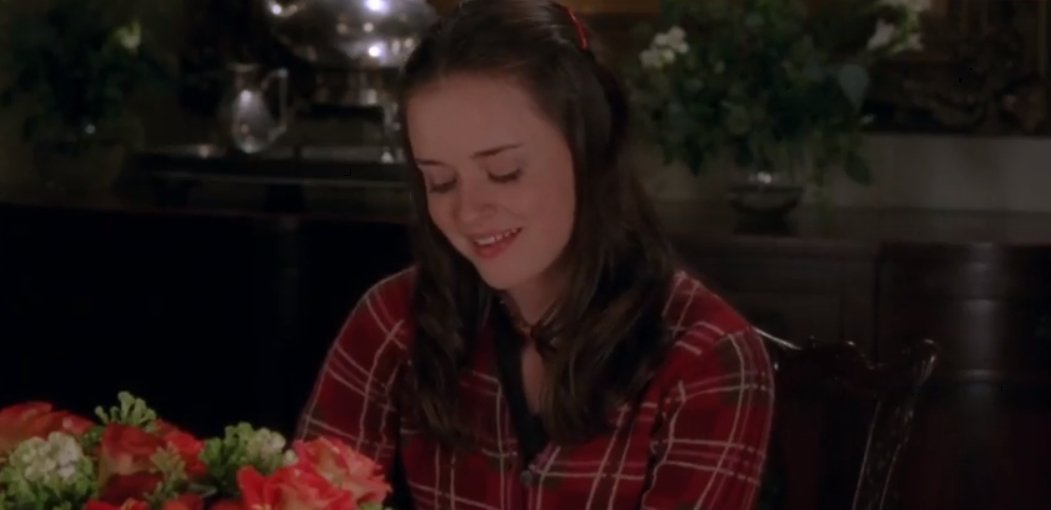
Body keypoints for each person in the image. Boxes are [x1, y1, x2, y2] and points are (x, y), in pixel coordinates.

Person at [297, 1, 774, 508]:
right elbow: (303, 497)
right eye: (440, 181)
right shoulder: (392, 321)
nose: (468, 211)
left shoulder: (707, 357)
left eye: (503, 172)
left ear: (590, 150)